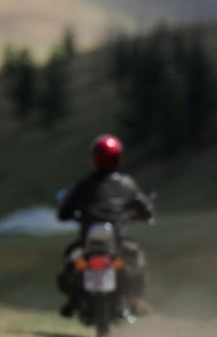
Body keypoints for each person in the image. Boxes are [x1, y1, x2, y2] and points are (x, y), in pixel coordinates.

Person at [56, 134, 155, 317]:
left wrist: (70, 214)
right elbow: (145, 208)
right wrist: (139, 213)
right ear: (118, 157)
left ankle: (72, 300)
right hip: (117, 239)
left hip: (88, 240)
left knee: (71, 258)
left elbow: (64, 211)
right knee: (136, 259)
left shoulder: (84, 185)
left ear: (94, 158)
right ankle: (136, 299)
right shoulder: (126, 183)